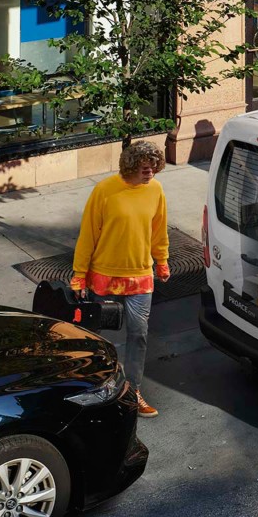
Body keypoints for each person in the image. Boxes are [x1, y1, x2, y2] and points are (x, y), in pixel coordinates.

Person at [71, 141, 170, 418]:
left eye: (154, 168)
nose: (150, 173)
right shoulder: (105, 191)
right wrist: (80, 275)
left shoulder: (156, 190)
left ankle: (132, 391)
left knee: (138, 334)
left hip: (140, 275)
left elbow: (158, 230)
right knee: (101, 338)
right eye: (145, 168)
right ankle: (99, 388)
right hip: (104, 276)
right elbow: (88, 234)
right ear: (131, 165)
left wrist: (161, 261)